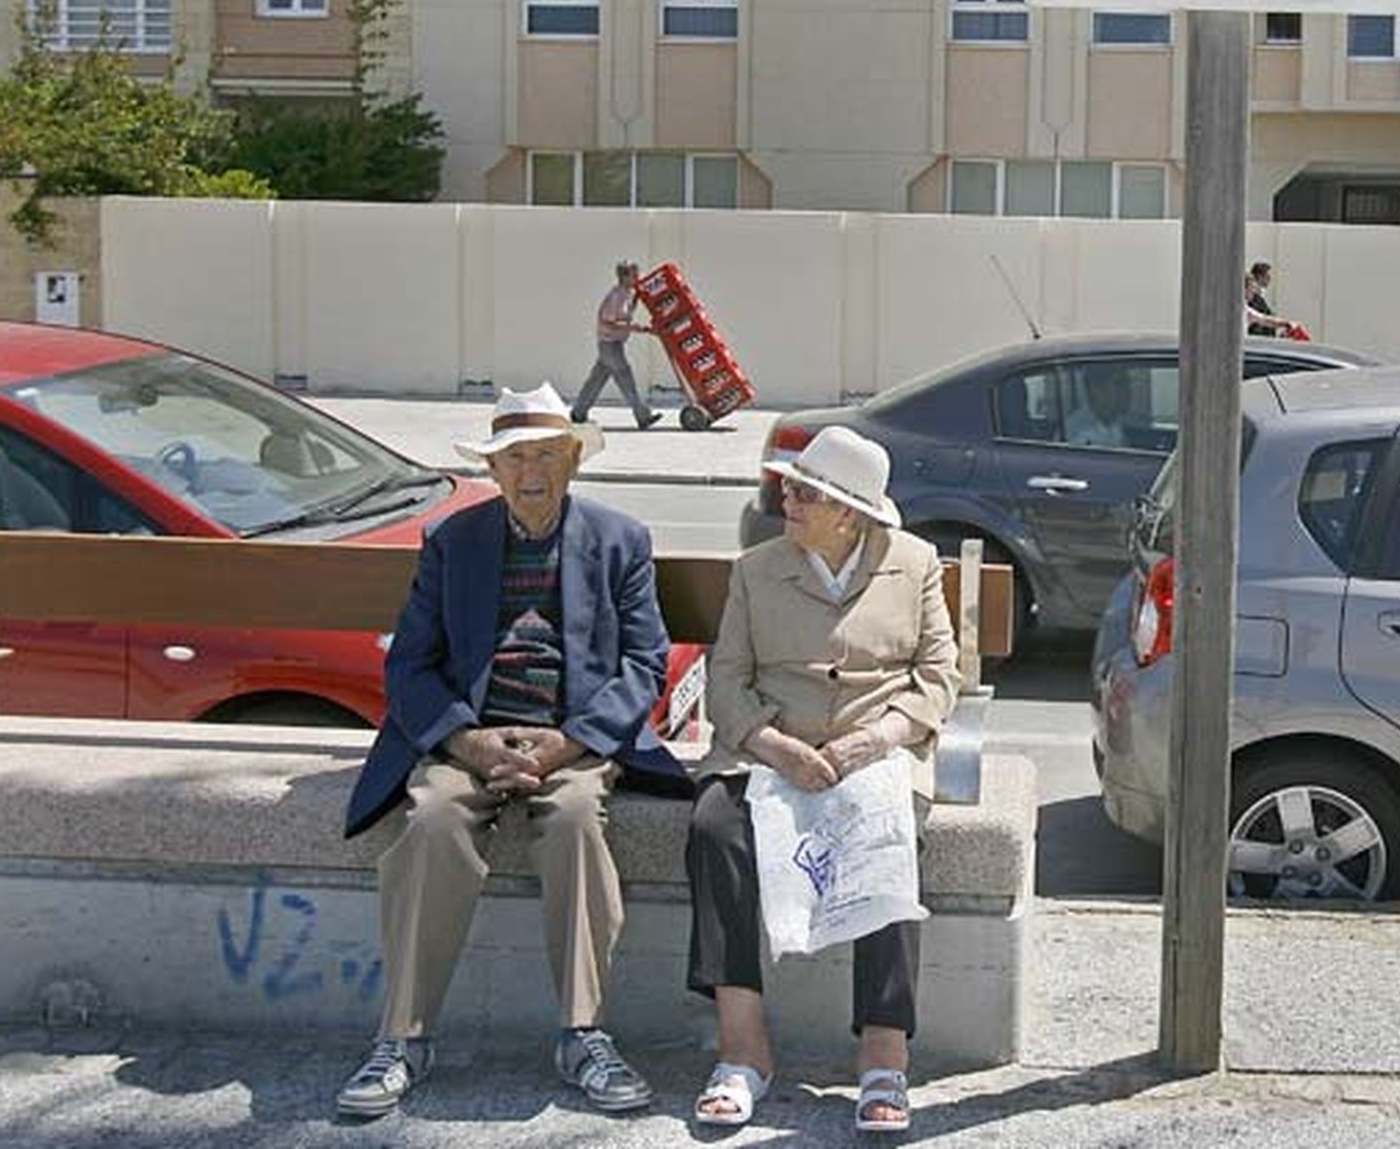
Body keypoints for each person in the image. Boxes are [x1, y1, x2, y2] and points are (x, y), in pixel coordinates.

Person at [336, 382, 690, 1120]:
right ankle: (404, 1037)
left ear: (573, 462)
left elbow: (644, 664)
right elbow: (409, 664)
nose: (533, 472)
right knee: (429, 820)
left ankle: (581, 1032)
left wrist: (567, 743)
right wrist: (467, 736)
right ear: (493, 472)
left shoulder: (620, 539)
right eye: (516, 458)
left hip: (574, 739)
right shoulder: (451, 542)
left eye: (547, 456)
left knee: (574, 825)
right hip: (472, 735)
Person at [684, 426, 961, 1134]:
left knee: (894, 840)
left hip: (875, 752)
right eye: (787, 484)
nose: (786, 498)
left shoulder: (916, 563)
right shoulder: (757, 568)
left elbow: (937, 676)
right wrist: (775, 746)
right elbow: (724, 682)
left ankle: (882, 1054)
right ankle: (742, 1048)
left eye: (804, 491)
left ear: (850, 511)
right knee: (714, 827)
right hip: (772, 749)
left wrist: (878, 739)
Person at [572, 261, 662, 430]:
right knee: (627, 381)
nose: (638, 278)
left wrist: (637, 298)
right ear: (623, 276)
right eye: (634, 275)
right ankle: (643, 417)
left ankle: (578, 413)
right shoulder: (617, 296)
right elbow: (609, 323)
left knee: (595, 381)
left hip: (611, 344)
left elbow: (627, 312)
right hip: (610, 344)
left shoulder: (627, 294)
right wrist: (639, 329)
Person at [1064, 363, 1132, 448]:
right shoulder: (1080, 433)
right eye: (1119, 384)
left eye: (1128, 384)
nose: (1128, 392)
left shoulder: (1114, 422)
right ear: (1098, 389)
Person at [1246, 262, 1294, 337]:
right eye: (1267, 277)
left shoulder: (1259, 299)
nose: (1270, 280)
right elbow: (1262, 320)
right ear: (1259, 277)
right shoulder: (1253, 302)